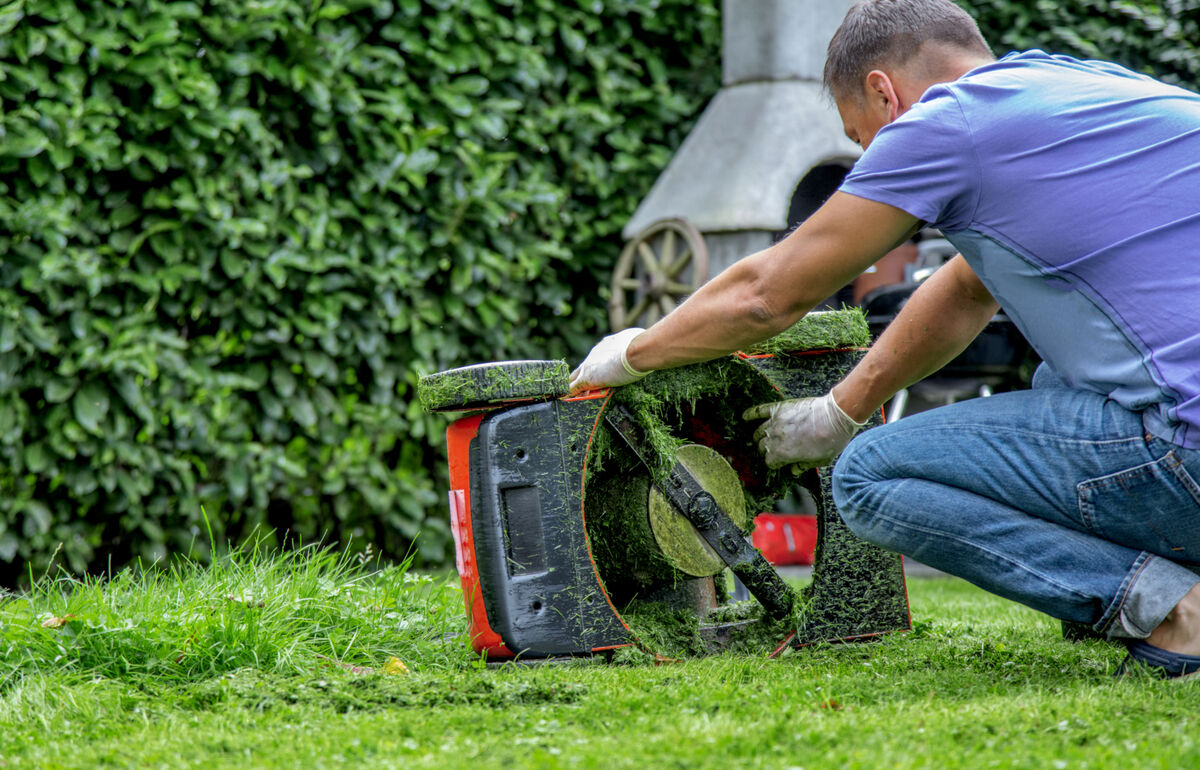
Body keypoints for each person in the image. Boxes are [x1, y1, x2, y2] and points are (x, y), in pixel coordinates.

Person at [568, 0, 1200, 678]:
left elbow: (766, 295)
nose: (871, 159)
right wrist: (843, 408)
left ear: (882, 92)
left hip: (1186, 452)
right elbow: (965, 289)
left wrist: (633, 352)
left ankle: (1178, 614)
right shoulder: (1078, 85)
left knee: (869, 476)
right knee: (1062, 381)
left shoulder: (949, 122)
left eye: (862, 138)